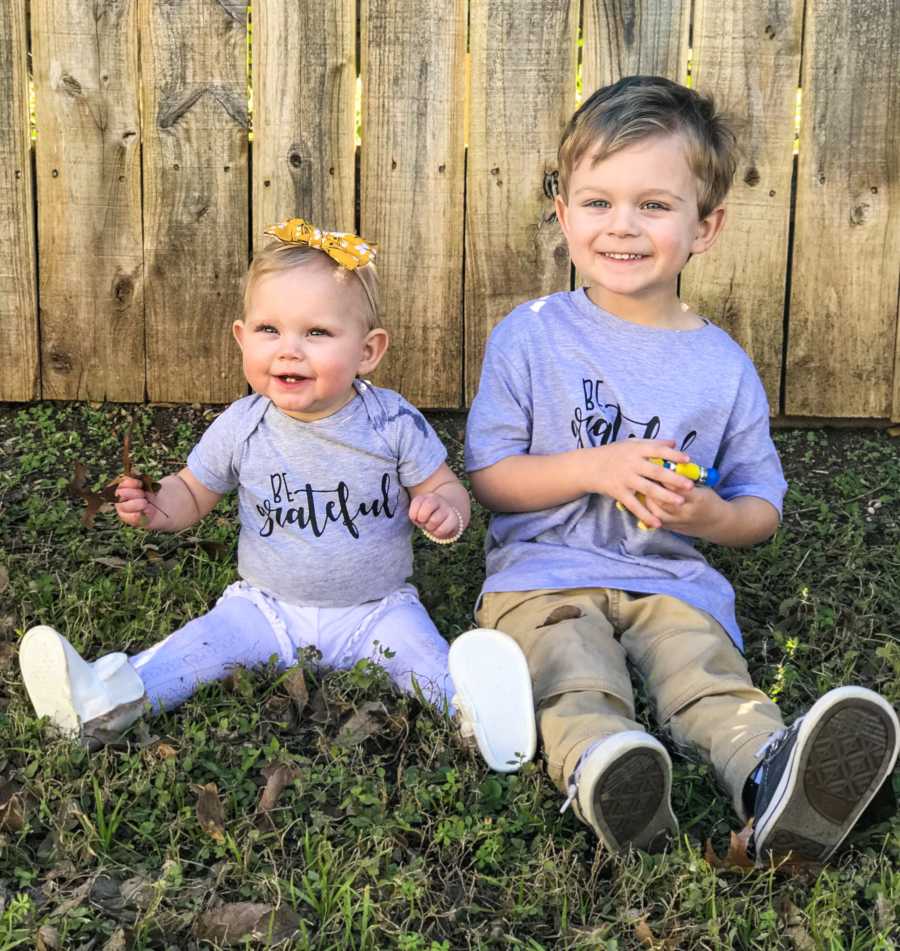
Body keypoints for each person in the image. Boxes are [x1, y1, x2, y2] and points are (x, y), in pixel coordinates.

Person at [464, 76, 899, 861]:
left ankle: (771, 776)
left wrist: (710, 518)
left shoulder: (721, 367)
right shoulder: (528, 337)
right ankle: (607, 765)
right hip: (543, 576)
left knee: (705, 677)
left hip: (670, 580)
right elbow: (493, 479)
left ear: (706, 226)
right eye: (597, 203)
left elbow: (760, 504)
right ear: (564, 216)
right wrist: (594, 466)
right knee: (569, 670)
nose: (621, 227)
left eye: (654, 206)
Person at [20, 218, 535, 771]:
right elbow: (192, 492)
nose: (289, 350)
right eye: (270, 330)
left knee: (425, 659)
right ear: (242, 337)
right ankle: (103, 701)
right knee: (199, 647)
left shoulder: (392, 422)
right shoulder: (243, 425)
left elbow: (444, 486)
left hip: (376, 610)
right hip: (264, 608)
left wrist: (445, 512)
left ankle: (479, 714)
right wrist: (155, 507)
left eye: (316, 333)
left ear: (368, 351)